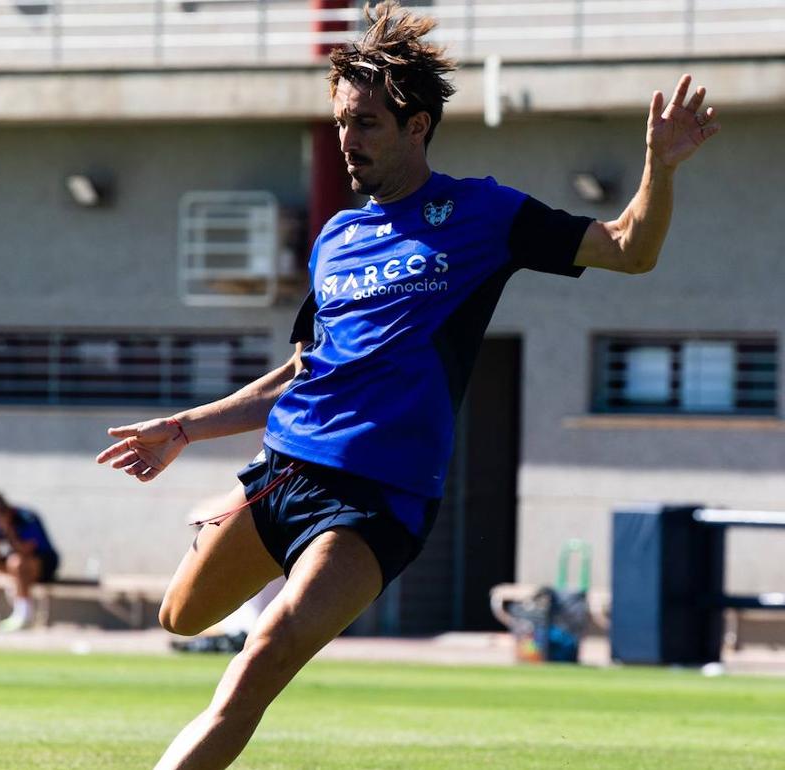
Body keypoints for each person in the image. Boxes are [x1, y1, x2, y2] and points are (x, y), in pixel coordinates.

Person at [95, 3, 720, 767]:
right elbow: (300, 373)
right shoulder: (338, 237)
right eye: (339, 124)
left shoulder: (485, 212)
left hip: (376, 501)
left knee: (258, 660)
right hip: (280, 473)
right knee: (179, 617)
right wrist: (185, 427)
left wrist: (660, 164)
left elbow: (629, 250)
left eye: (365, 124)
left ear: (416, 126)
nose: (347, 141)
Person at [0, 492, 60, 632]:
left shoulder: (26, 517)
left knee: (17, 563)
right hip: (15, 562)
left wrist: (9, 529)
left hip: (43, 564)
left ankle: (24, 615)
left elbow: (27, 550)